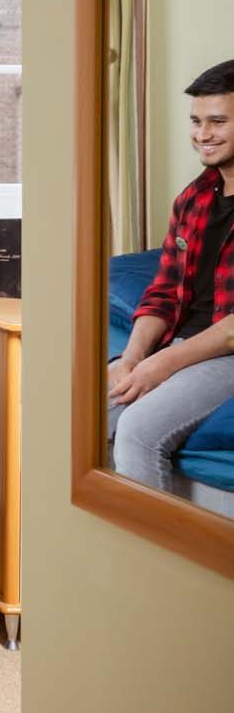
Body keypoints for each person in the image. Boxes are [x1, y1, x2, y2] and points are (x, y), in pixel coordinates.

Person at [109, 60, 234, 490]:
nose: (203, 134)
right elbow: (162, 291)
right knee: (80, 410)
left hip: (226, 356)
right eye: (197, 121)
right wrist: (132, 357)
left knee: (137, 430)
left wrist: (163, 364)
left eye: (218, 121)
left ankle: (143, 559)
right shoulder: (192, 199)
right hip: (178, 344)